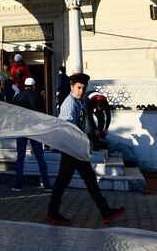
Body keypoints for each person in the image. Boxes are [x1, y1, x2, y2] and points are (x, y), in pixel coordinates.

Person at [46, 72, 124, 226]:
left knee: (89, 180)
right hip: (71, 148)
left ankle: (105, 211)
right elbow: (68, 127)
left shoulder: (78, 102)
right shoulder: (70, 104)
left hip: (76, 148)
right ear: (71, 87)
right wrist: (82, 142)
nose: (81, 91)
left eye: (83, 88)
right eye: (79, 87)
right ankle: (52, 213)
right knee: (65, 181)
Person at [10, 77, 52, 192]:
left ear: (24, 85)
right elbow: (42, 112)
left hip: (22, 129)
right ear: (33, 86)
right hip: (35, 130)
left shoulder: (18, 95)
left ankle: (18, 185)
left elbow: (14, 112)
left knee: (20, 158)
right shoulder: (38, 96)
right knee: (40, 157)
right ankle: (47, 185)